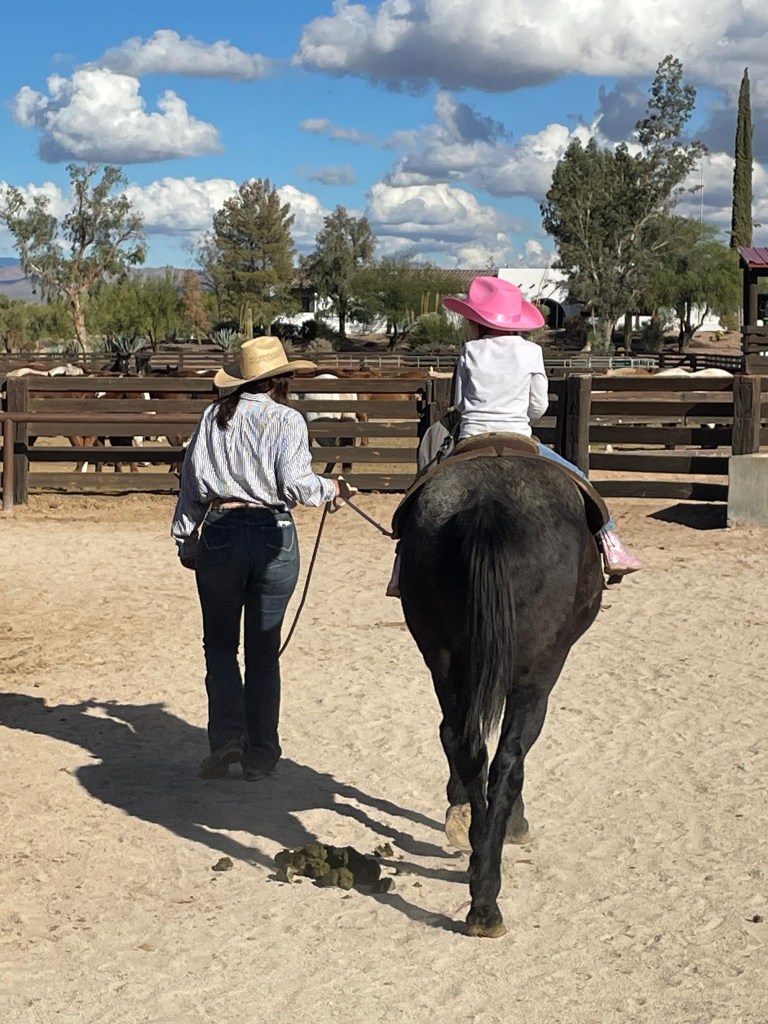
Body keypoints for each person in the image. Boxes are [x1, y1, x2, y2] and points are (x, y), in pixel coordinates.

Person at [386, 277, 641, 596]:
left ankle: (400, 567)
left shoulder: (469, 350)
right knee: (578, 478)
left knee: (423, 487)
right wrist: (521, 417)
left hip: (471, 438)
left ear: (477, 321)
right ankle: (611, 543)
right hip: (519, 435)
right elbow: (540, 404)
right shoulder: (531, 351)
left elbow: (461, 402)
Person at [171, 336, 354, 781]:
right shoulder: (288, 420)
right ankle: (261, 754)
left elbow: (192, 485)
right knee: (264, 651)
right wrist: (332, 490)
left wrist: (184, 538)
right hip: (274, 534)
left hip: (220, 532)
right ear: (281, 380)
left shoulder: (212, 417)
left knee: (219, 646)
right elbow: (296, 484)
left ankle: (227, 738)